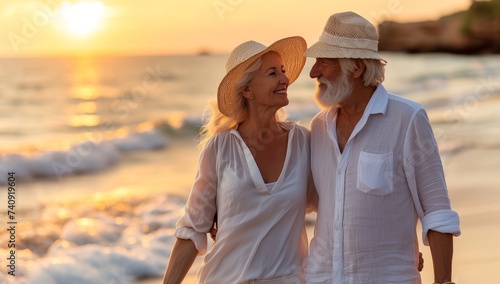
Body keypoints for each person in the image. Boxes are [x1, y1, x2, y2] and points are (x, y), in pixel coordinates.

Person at [303, 12, 461, 284]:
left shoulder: (407, 118)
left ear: (356, 68)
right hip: (321, 278)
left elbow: (436, 211)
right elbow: (305, 201)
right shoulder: (318, 127)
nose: (313, 72)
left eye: (323, 62)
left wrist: (443, 281)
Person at [162, 36, 317, 284]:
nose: (284, 79)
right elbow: (193, 228)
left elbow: (335, 204)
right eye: (272, 73)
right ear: (247, 90)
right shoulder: (220, 148)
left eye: (283, 71)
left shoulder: (304, 143)